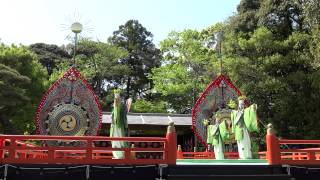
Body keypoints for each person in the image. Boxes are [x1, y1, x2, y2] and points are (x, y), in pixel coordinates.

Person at [110, 90, 131, 159]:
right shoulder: (114, 108)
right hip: (115, 126)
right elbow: (113, 117)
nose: (116, 101)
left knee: (121, 140)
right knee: (115, 140)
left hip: (120, 125)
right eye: (115, 99)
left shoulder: (123, 107)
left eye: (118, 98)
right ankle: (117, 155)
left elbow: (124, 115)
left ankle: (121, 155)